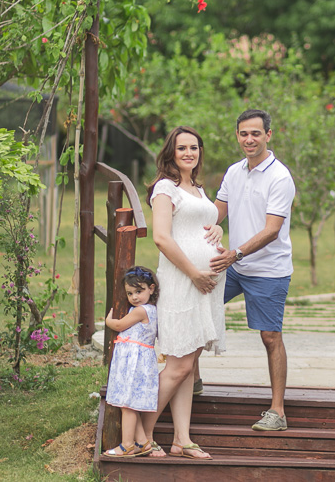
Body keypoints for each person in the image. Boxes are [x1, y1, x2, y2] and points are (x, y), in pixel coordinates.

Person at [207, 109, 296, 432]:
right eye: (243, 133)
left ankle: (277, 412)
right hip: (233, 263)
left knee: (270, 336)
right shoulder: (234, 172)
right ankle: (192, 381)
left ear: (268, 136)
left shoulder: (280, 178)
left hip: (268, 269)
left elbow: (272, 229)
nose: (249, 139)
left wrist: (237, 253)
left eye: (255, 133)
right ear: (237, 136)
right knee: (197, 305)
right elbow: (218, 211)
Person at [140, 126, 225, 460]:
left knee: (189, 364)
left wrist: (217, 229)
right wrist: (193, 274)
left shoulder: (199, 189)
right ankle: (142, 436)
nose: (189, 153)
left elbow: (200, 227)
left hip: (204, 286)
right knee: (177, 365)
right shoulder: (165, 188)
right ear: (171, 153)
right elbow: (161, 237)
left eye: (194, 147)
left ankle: (182, 439)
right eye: (182, 148)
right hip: (182, 282)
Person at [102, 266, 160, 458]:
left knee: (127, 404)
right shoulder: (145, 309)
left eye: (139, 291)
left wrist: (108, 320)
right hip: (135, 361)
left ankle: (127, 445)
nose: (134, 297)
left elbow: (119, 325)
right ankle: (142, 442)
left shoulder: (142, 310)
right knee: (130, 403)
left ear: (151, 288)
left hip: (136, 362)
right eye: (130, 293)